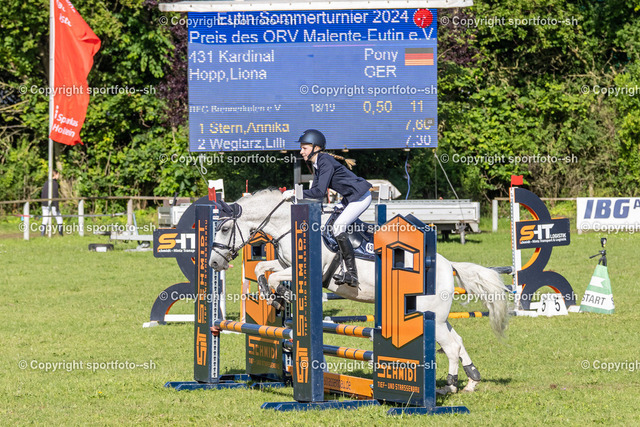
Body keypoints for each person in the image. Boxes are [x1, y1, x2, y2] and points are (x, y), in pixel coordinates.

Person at [284, 129, 372, 286]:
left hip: (360, 197)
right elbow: (315, 191)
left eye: (304, 148)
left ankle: (352, 274)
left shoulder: (325, 161)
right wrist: (297, 196)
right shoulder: (318, 163)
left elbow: (318, 192)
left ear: (316, 148)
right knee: (329, 221)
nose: (301, 151)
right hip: (349, 199)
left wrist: (295, 192)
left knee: (338, 227)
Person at [40, 170, 64, 236]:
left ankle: (42, 234)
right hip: (52, 204)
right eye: (58, 175)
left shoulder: (46, 182)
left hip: (44, 203)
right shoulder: (54, 183)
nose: (58, 176)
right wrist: (57, 206)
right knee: (59, 218)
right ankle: (61, 234)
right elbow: (55, 195)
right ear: (55, 175)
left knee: (45, 219)